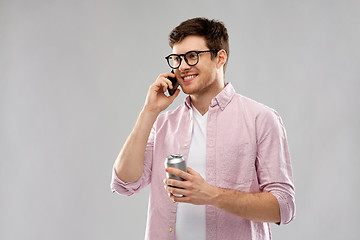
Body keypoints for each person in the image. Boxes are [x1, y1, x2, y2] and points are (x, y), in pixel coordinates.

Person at [111, 17, 295, 240]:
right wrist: (149, 111)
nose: (182, 67)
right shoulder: (162, 124)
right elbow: (124, 182)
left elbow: (283, 206)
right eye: (176, 59)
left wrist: (211, 195)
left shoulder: (261, 119)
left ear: (220, 57)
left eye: (191, 56)